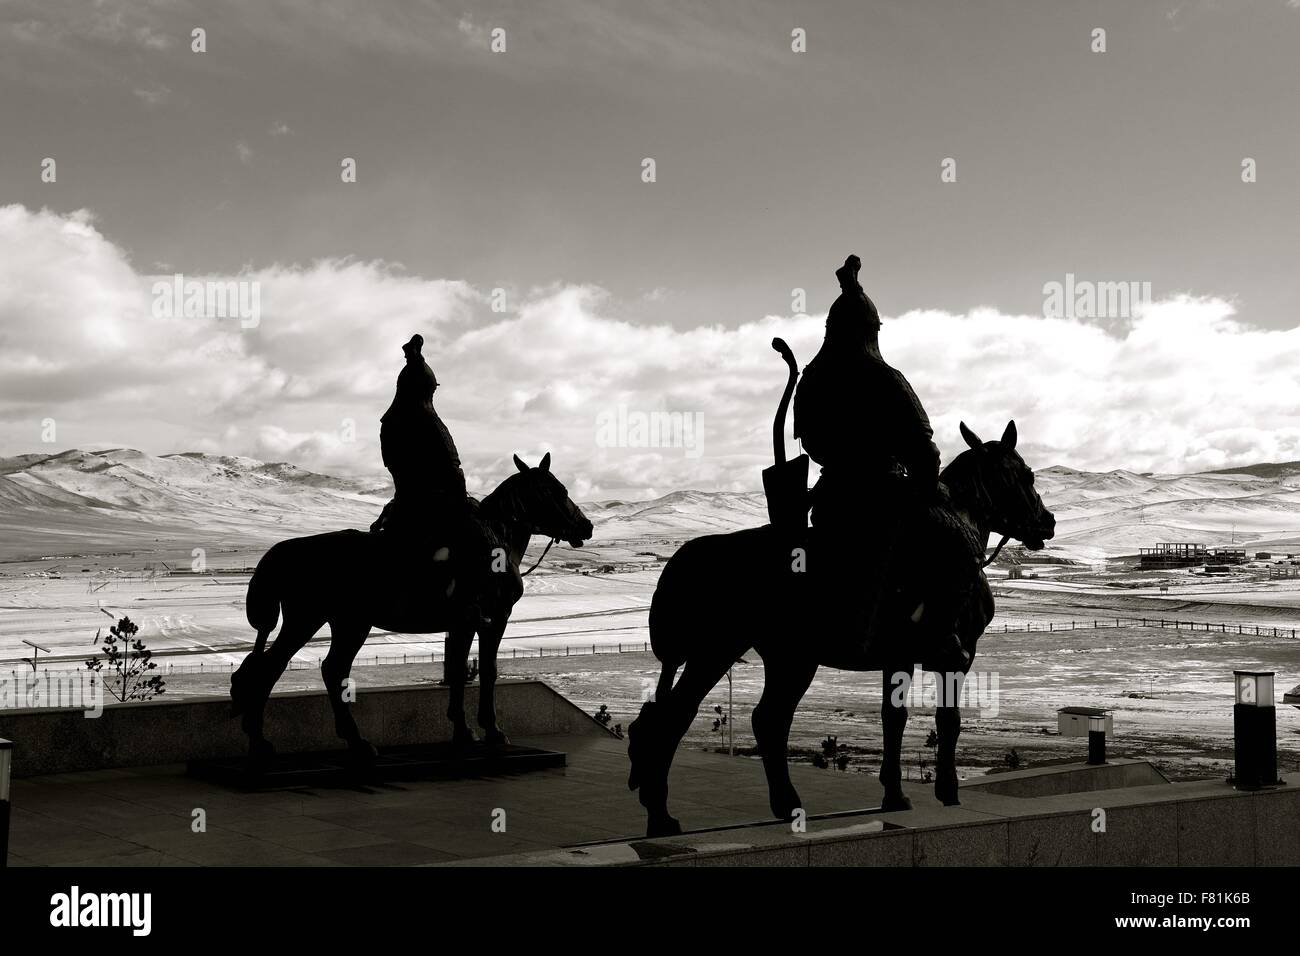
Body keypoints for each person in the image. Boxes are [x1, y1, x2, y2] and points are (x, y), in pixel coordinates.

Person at [793, 256, 977, 669]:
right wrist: (930, 485)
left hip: (832, 499)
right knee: (960, 549)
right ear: (871, 330)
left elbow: (809, 442)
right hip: (884, 500)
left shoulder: (813, 378)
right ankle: (940, 634)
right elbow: (924, 447)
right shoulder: (884, 377)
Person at [371, 334, 493, 627]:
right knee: (478, 543)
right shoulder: (430, 422)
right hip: (434, 506)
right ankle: (469, 606)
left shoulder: (390, 423)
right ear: (426, 389)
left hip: (402, 504)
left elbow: (393, 464)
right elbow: (453, 468)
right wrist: (463, 501)